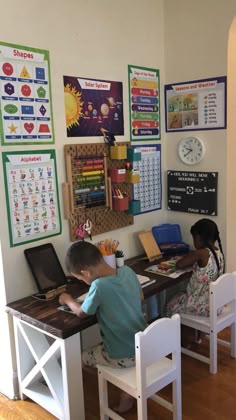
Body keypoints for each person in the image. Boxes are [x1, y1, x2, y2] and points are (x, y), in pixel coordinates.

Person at [59, 240, 147, 413]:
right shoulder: (127, 271)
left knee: (78, 358)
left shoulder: (99, 286)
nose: (84, 282)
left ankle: (117, 389)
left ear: (86, 272)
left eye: (80, 278)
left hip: (120, 355)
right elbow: (141, 297)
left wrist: (67, 299)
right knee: (104, 346)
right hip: (143, 347)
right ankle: (126, 389)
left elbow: (82, 313)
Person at [165, 218, 225, 318]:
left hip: (202, 306)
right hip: (215, 303)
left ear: (199, 238)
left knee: (169, 304)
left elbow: (179, 264)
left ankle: (170, 332)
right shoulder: (218, 252)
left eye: (194, 238)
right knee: (180, 295)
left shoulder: (201, 253)